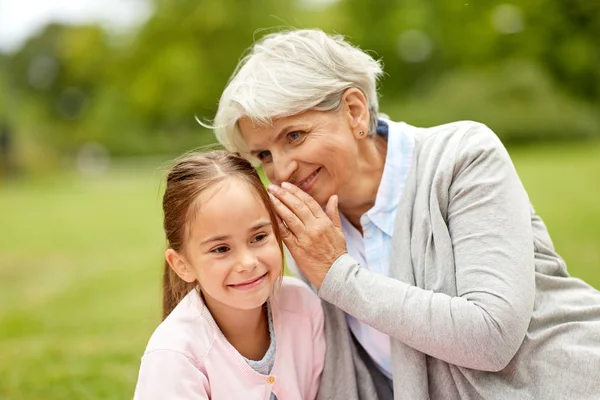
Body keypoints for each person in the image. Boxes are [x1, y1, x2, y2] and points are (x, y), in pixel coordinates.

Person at [210, 29, 600, 399]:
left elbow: (492, 337)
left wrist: (337, 274)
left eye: (294, 136)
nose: (282, 171)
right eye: (263, 155)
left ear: (354, 111)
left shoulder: (462, 157)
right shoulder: (305, 228)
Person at [134, 151, 325, 399]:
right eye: (221, 249)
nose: (248, 262)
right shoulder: (176, 353)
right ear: (182, 265)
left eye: (259, 237)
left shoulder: (303, 306)